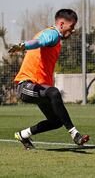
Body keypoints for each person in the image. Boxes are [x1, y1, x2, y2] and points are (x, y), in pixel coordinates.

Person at [8, 9, 90, 150]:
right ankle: (75, 134)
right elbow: (40, 42)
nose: (72, 31)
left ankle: (23, 135)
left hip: (40, 88)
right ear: (62, 24)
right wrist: (24, 45)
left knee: (56, 121)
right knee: (54, 93)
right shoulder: (53, 34)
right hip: (27, 86)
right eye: (71, 27)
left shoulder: (54, 35)